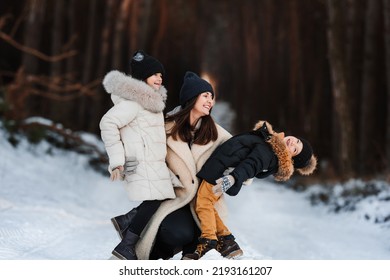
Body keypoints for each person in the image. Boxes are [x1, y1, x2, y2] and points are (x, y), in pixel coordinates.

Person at [120, 71, 232, 259]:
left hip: (203, 201)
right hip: (174, 199)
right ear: (191, 98)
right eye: (205, 95)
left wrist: (233, 175)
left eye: (212, 97)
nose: (210, 101)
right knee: (176, 233)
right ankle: (150, 257)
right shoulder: (165, 127)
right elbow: (143, 150)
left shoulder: (217, 133)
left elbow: (239, 155)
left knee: (199, 229)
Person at [182, 120, 318, 260]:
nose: (293, 143)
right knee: (206, 203)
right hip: (220, 168)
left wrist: (234, 177)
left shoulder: (270, 153)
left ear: (290, 158)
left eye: (295, 149)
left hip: (222, 174)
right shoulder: (270, 141)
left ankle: (208, 242)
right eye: (297, 141)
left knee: (203, 202)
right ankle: (227, 241)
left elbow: (252, 164)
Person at [99, 50, 180, 260]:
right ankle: (126, 244)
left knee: (162, 198)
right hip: (140, 163)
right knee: (156, 200)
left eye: (161, 75)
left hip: (153, 163)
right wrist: (118, 160)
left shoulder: (152, 105)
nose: (159, 78)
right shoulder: (133, 104)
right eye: (154, 74)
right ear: (143, 77)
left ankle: (128, 221)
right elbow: (108, 123)